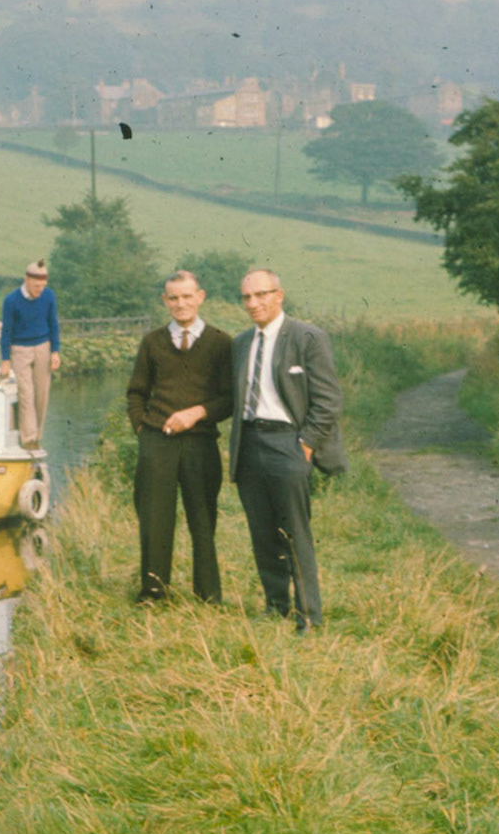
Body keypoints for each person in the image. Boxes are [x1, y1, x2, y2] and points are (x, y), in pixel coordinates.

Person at [228, 268, 347, 632]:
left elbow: (329, 400)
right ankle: (275, 605)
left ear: (279, 295)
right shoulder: (241, 344)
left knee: (295, 531)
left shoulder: (308, 337)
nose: (253, 303)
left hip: (289, 443)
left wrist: (306, 444)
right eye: (247, 297)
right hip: (248, 443)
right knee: (262, 531)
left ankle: (308, 615)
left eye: (261, 294)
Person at [125, 271, 234, 604]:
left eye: (187, 296)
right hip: (157, 442)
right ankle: (154, 591)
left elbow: (229, 398)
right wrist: (143, 430)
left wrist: (196, 413)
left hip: (200, 442)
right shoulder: (152, 342)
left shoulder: (221, 343)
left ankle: (208, 594)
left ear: (200, 297)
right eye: (173, 298)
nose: (180, 304)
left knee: (203, 516)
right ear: (165, 301)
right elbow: (136, 392)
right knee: (155, 517)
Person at [0, 260, 60, 450]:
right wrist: (5, 360)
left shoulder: (49, 296)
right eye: (36, 286)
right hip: (20, 350)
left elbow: (54, 324)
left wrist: (55, 351)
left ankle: (37, 436)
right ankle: (28, 439)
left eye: (43, 286)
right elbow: (6, 331)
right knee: (26, 393)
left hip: (43, 346)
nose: (40, 290)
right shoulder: (11, 301)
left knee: (41, 393)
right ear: (27, 280)